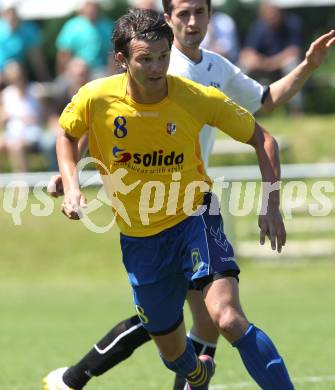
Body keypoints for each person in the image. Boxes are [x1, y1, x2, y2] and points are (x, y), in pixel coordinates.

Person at [44, 1, 335, 389]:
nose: (156, 68)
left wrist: (271, 202)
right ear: (123, 59)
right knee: (171, 344)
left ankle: (76, 378)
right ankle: (192, 373)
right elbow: (75, 130)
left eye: (162, 57)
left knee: (225, 317)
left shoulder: (202, 84)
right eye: (146, 59)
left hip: (195, 213)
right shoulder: (101, 94)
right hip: (141, 233)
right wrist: (70, 179)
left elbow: (264, 122)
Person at [239, 0, 304, 113]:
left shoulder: (292, 24)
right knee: (243, 66)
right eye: (269, 13)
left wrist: (271, 62)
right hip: (262, 68)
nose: (272, 16)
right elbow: (247, 51)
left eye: (274, 13)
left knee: (291, 63)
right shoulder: (259, 26)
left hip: (282, 69)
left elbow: (294, 51)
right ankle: (241, 109)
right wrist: (255, 59)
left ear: (280, 12)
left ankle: (296, 111)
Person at [55, 0, 114, 78]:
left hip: (101, 71)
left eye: (94, 6)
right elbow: (64, 52)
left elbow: (113, 51)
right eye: (89, 5)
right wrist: (64, 74)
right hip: (77, 72)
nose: (91, 9)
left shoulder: (107, 25)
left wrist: (112, 71)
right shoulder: (72, 26)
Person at [0, 2, 50, 87]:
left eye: (14, 12)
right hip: (2, 74)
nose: (12, 16)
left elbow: (36, 58)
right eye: (8, 12)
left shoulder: (28, 30)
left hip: (20, 74)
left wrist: (44, 79)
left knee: (15, 69)